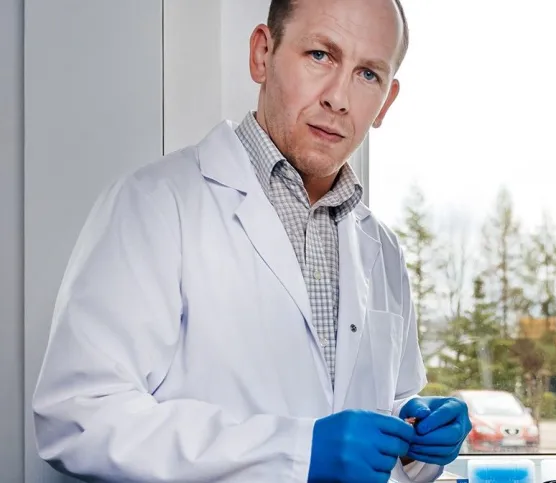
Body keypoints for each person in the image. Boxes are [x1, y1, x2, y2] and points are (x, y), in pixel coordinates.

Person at [31, 0, 470, 481]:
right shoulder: (156, 203)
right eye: (321, 55)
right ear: (262, 54)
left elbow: (371, 417)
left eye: (368, 75)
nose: (339, 98)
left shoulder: (380, 246)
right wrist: (295, 452)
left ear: (386, 101)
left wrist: (416, 435)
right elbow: (80, 418)